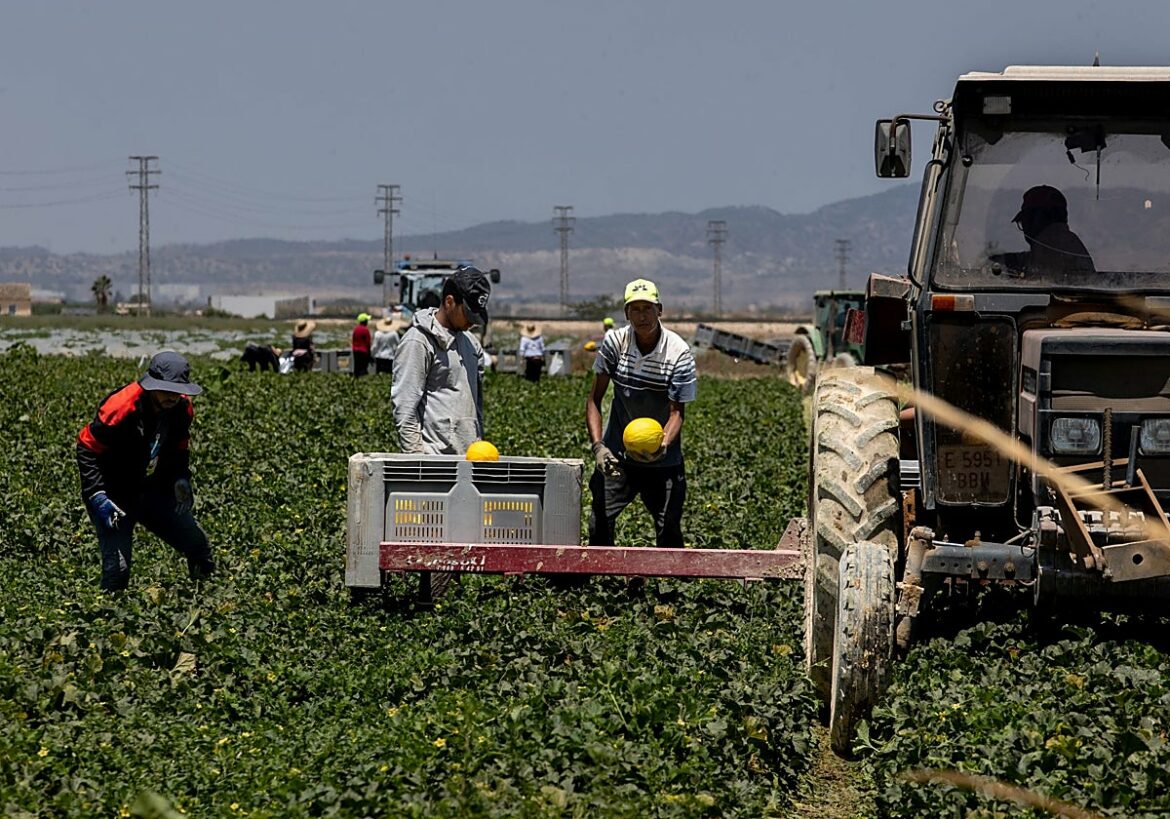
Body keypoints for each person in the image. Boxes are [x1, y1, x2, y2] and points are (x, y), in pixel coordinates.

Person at [77, 351, 215, 591]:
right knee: (117, 570)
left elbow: (178, 447)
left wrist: (181, 478)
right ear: (152, 386)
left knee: (197, 546)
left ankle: (206, 601)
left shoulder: (182, 409)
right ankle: (106, 618)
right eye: (166, 390)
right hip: (112, 494)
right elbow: (87, 448)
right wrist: (97, 495)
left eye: (177, 390)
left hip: (150, 489)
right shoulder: (120, 407)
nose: (172, 396)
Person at [586, 278, 697, 548]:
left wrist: (663, 444)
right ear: (626, 314)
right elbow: (594, 400)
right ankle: (605, 581)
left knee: (669, 530)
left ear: (660, 310)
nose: (641, 316)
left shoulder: (678, 353)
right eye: (634, 309)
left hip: (663, 459)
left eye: (647, 308)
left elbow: (676, 413)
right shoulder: (615, 343)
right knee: (599, 521)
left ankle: (670, 587)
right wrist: (599, 447)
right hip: (617, 456)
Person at [392, 266, 492, 454]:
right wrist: (418, 462)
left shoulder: (472, 343)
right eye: (468, 314)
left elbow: (477, 407)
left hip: (470, 459)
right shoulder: (419, 341)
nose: (472, 322)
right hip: (434, 463)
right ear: (449, 302)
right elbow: (405, 409)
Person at [991, 185, 1095, 277]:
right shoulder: (1069, 243)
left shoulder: (1051, 245)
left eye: (1025, 221)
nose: (1025, 229)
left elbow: (1038, 273)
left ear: (1037, 218)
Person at [352, 313, 372, 377]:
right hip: (363, 351)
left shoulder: (356, 329)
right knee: (363, 368)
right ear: (365, 321)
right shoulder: (365, 330)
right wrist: (369, 354)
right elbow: (368, 343)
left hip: (355, 351)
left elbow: (353, 340)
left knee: (357, 367)